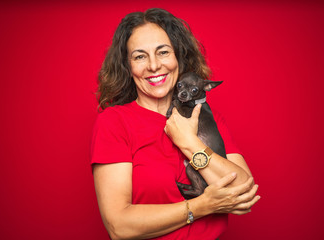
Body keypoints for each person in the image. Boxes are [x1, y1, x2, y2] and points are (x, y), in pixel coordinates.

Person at [91, 8, 260, 240]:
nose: (153, 66)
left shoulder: (209, 118)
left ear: (178, 57)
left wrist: (189, 142)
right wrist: (202, 206)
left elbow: (245, 193)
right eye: (140, 56)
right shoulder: (115, 122)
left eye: (163, 52)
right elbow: (119, 227)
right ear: (128, 67)